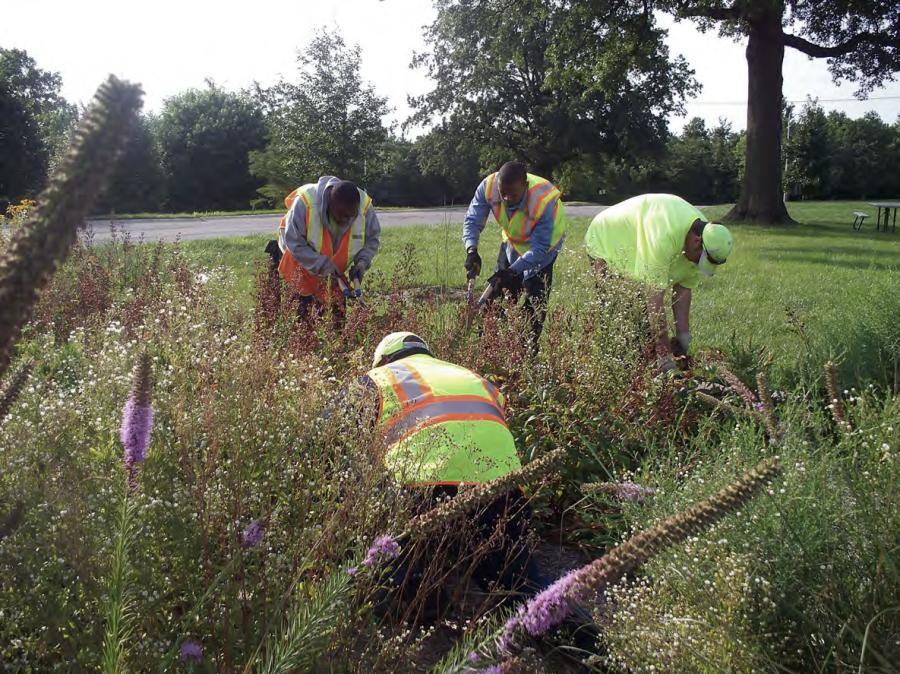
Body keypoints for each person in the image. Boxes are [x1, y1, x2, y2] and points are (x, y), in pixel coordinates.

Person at [359, 331, 546, 619]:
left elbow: (326, 434)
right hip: (501, 494)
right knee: (529, 592)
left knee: (396, 582)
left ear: (383, 359)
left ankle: (415, 590)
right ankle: (589, 645)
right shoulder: (473, 377)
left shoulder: (379, 379)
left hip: (422, 492)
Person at [584, 193, 734, 371]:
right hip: (608, 237)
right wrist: (664, 354)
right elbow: (654, 299)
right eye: (701, 260)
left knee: (644, 331)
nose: (698, 265)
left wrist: (683, 338)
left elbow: (683, 291)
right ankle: (612, 370)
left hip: (641, 237)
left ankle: (644, 369)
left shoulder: (706, 236)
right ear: (697, 242)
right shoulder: (663, 237)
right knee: (623, 317)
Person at [462, 161, 567, 348]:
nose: (507, 199)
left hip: (544, 249)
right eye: (503, 193)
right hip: (513, 242)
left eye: (513, 194)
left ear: (525, 186)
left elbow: (539, 249)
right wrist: (472, 250)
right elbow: (473, 219)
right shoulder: (488, 187)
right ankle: (486, 350)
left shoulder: (544, 199)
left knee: (533, 306)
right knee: (495, 299)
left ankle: (524, 357)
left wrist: (512, 271)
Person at [269, 176, 380, 326]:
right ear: (329, 203)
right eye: (341, 214)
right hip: (299, 262)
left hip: (333, 270)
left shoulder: (364, 207)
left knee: (337, 321)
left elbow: (371, 238)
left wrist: (362, 262)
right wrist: (322, 265)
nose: (346, 220)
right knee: (302, 321)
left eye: (350, 215)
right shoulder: (306, 203)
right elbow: (294, 242)